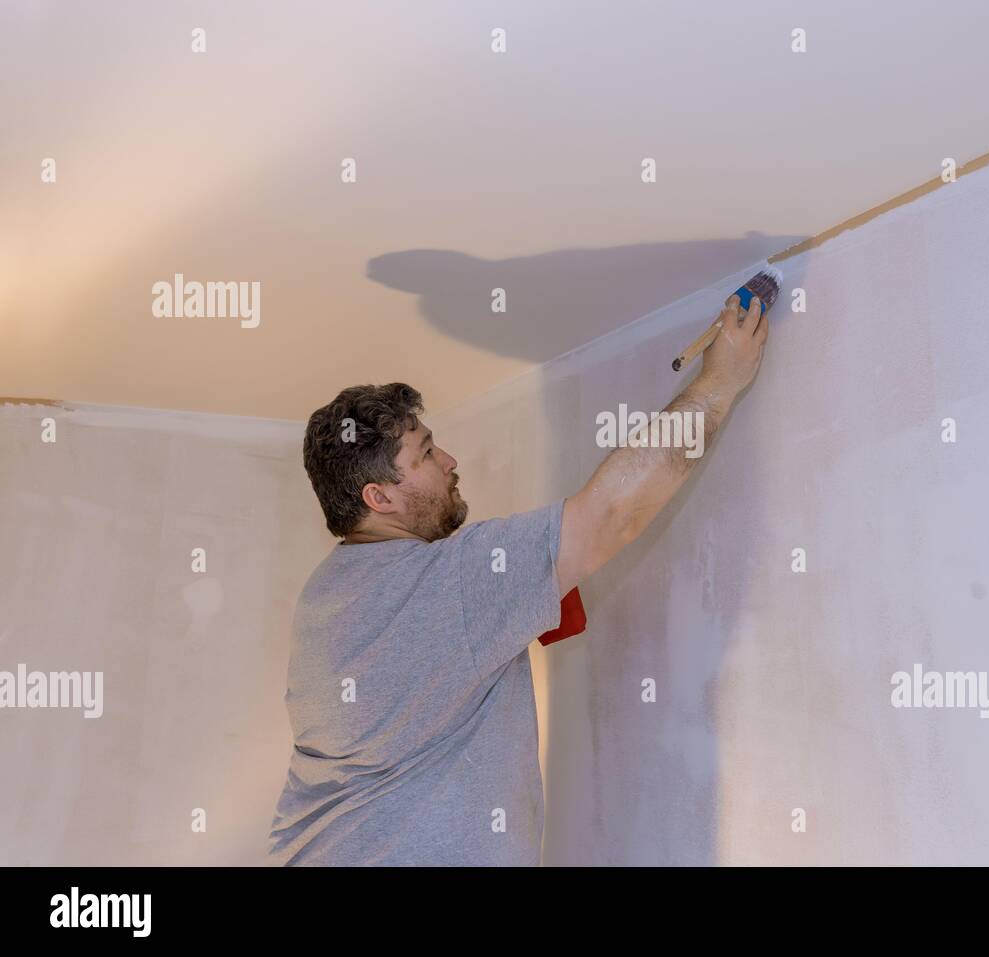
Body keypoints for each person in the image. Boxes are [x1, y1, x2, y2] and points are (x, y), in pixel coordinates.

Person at [267, 293, 768, 865]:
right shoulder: (446, 583)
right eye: (426, 454)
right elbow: (611, 515)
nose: (449, 460)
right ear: (379, 498)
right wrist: (721, 382)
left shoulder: (325, 594)